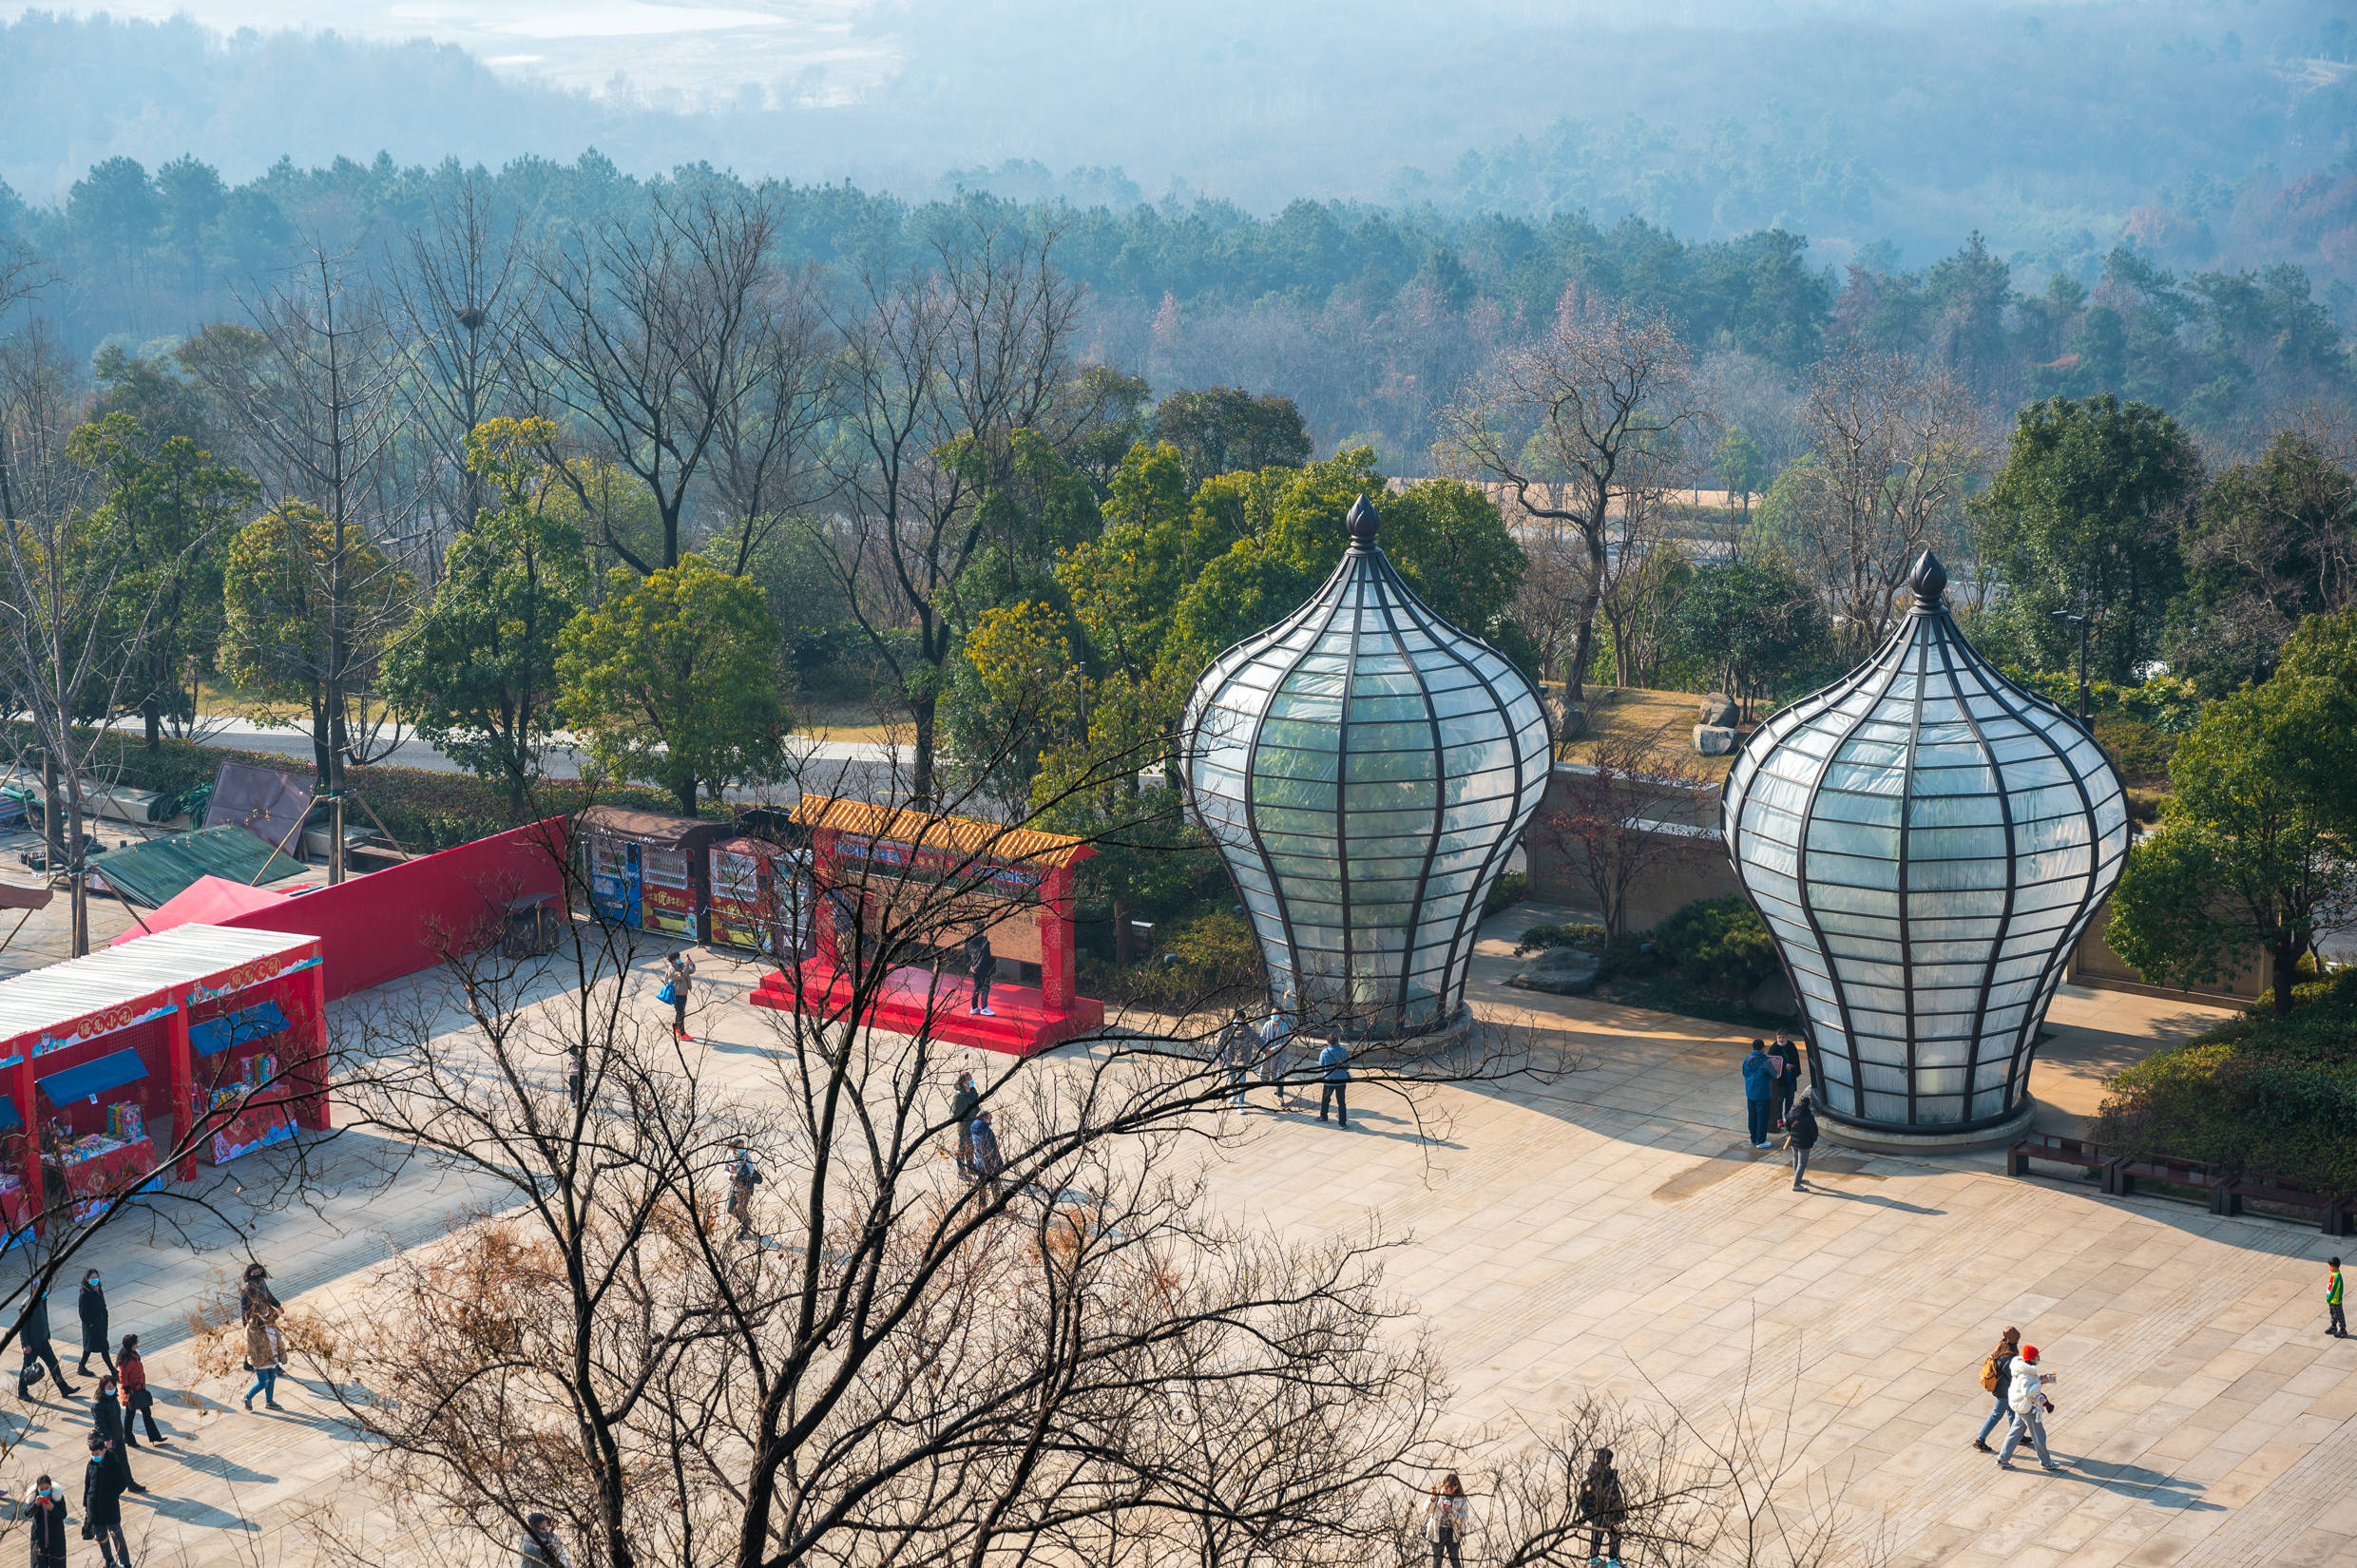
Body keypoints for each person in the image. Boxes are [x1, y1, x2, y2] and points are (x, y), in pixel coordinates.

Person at [1995, 1343, 2060, 1471]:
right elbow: (2027, 1392)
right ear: (2030, 1358)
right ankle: (2046, 1462)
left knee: (2015, 1433)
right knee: (2039, 1435)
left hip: (2021, 1407)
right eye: (2036, 1357)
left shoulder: (2024, 1369)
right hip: (2027, 1407)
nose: (2038, 1359)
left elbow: (2031, 1383)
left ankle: (2002, 1458)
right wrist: (2041, 1382)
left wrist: (2041, 1379)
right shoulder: (2025, 1375)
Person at [17, 1282, 77, 1400]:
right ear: (33, 1290)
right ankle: (22, 1392)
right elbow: (22, 1327)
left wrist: (47, 1333)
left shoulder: (42, 1300)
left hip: (43, 1341)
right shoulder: (26, 1306)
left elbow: (44, 1317)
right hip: (32, 1345)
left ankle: (64, 1388)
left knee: (54, 1365)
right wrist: (25, 1344)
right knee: (27, 1369)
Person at [90, 1375, 144, 1494]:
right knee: (106, 1466)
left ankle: (130, 1484)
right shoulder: (98, 1405)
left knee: (124, 1462)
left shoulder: (114, 1400)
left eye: (113, 1386)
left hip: (118, 1436)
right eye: (109, 1387)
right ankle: (104, 1488)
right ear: (103, 1388)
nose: (112, 1389)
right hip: (107, 1440)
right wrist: (107, 1438)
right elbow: (100, 1423)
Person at [1971, 1327, 2022, 1453]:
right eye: (2017, 1338)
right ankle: (1980, 1440)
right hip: (2004, 1391)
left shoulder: (2002, 1345)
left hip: (2003, 1388)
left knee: (2012, 1411)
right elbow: (2011, 1374)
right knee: (1996, 1414)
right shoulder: (2009, 1356)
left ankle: (2016, 1435)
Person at [83, 1431, 128, 1568]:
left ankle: (125, 1563)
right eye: (92, 1454)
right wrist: (86, 1502)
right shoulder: (91, 1465)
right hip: (95, 1509)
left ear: (103, 1451)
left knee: (116, 1536)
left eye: (97, 1454)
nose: (94, 1456)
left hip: (110, 1507)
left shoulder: (113, 1463)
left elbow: (122, 1482)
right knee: (101, 1537)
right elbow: (87, 1484)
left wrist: (111, 1495)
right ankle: (109, 1561)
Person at [1578, 1446, 1625, 1567]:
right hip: (1604, 1511)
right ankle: (1613, 1561)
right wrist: (1619, 1512)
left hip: (1597, 1511)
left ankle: (1594, 1559)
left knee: (1598, 1533)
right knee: (1614, 1533)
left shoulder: (1594, 1473)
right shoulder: (1602, 1475)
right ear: (1607, 1460)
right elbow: (1612, 1494)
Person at [118, 1334, 165, 1445]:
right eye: (136, 1342)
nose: (137, 1344)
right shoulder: (126, 1360)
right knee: (130, 1416)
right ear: (131, 1344)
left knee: (146, 1413)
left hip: (139, 1389)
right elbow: (122, 1376)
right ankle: (129, 1438)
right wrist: (127, 1390)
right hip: (132, 1392)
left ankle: (155, 1436)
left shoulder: (134, 1355)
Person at [1423, 1472, 1468, 1568]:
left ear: (1455, 1487)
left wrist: (1452, 1513)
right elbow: (1427, 1510)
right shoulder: (1438, 1494)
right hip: (1438, 1530)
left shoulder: (1462, 1500)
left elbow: (1464, 1519)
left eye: (1448, 1487)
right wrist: (1433, 1499)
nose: (1445, 1489)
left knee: (1455, 1560)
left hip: (1453, 1532)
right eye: (1444, 1485)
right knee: (1437, 1561)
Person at [243, 1305, 284, 1411]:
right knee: (263, 1382)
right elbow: (249, 1342)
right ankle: (247, 1397)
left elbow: (277, 1336)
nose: (265, 1309)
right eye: (262, 1308)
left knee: (271, 1379)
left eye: (266, 1307)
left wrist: (281, 1352)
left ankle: (269, 1401)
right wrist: (253, 1357)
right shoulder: (252, 1324)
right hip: (261, 1357)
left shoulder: (270, 1320)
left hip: (273, 1354)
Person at [25, 1472, 67, 1568]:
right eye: (41, 1489)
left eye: (46, 1488)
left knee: (57, 1563)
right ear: (38, 1489)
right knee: (38, 1564)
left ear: (50, 1487)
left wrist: (52, 1508)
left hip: (56, 1538)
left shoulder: (57, 1497)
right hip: (39, 1539)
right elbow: (27, 1513)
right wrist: (36, 1505)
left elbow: (63, 1514)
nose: (44, 1491)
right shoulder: (34, 1497)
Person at [76, 1268, 112, 1377]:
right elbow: (82, 1313)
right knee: (103, 1348)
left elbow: (102, 1303)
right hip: (91, 1326)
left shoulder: (98, 1288)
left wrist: (105, 1316)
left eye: (96, 1277)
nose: (95, 1280)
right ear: (87, 1279)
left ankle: (81, 1367)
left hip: (101, 1323)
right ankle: (113, 1371)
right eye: (92, 1278)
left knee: (89, 1348)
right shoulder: (84, 1294)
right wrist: (91, 1324)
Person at [1216, 1009, 1255, 1107]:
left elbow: (1257, 1039)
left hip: (1243, 1060)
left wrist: (1266, 1050)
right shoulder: (1228, 1029)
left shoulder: (1248, 1030)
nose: (1237, 1021)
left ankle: (1241, 1103)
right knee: (1232, 1079)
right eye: (1236, 1018)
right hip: (1230, 1059)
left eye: (1240, 1019)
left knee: (1242, 1082)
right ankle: (1233, 1094)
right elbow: (1219, 1042)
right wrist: (1219, 1056)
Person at [1255, 1011, 1294, 1110]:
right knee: (1271, 1072)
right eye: (1272, 1013)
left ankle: (1280, 1097)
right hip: (1268, 1053)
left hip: (1281, 1054)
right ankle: (1276, 1088)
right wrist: (1266, 1048)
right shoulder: (1267, 1024)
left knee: (1280, 1075)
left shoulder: (1284, 1026)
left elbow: (1285, 1042)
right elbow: (1262, 1037)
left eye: (1276, 1013)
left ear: (1281, 1015)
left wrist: (1274, 1049)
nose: (1274, 1015)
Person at [1741, 1040, 1775, 1149]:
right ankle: (1761, 1141)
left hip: (1750, 1093)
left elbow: (1744, 1073)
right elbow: (1773, 1074)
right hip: (1763, 1094)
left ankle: (1753, 1138)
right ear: (1763, 1048)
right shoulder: (1764, 1061)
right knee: (1762, 1117)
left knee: (1752, 1116)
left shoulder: (1747, 1060)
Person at [1785, 1090, 1820, 1191]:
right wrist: (1813, 1139)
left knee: (1795, 1159)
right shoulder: (1808, 1117)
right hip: (1804, 1143)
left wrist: (1791, 1133)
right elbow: (1814, 1131)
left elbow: (1787, 1124)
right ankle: (1796, 1184)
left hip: (1794, 1141)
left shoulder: (1792, 1112)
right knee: (1802, 1163)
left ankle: (1797, 1178)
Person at [968, 1110, 1005, 1199]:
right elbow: (991, 1147)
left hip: (979, 1160)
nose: (991, 1119)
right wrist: (997, 1162)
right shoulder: (986, 1131)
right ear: (984, 1118)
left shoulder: (974, 1129)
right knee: (994, 1182)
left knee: (982, 1184)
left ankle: (983, 1206)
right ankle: (997, 1203)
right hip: (990, 1161)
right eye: (989, 1117)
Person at [727, 1147, 761, 1240]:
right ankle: (747, 1221)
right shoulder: (730, 1157)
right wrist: (731, 1175)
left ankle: (744, 1229)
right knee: (730, 1210)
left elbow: (751, 1171)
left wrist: (740, 1174)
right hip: (734, 1187)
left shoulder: (747, 1157)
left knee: (741, 1208)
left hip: (745, 1188)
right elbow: (725, 1171)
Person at [1770, 1032, 1802, 1130]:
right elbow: (1772, 1062)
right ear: (1777, 1037)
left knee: (1790, 1098)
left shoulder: (1791, 1045)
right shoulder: (1774, 1048)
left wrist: (1792, 1066)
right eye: (1779, 1037)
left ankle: (1788, 1117)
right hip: (1780, 1080)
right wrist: (1784, 1067)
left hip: (1790, 1078)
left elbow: (1796, 1059)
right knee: (1779, 1100)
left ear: (1786, 1037)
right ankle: (1779, 1118)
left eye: (1783, 1037)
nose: (1781, 1039)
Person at [950, 1072, 982, 1176]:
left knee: (971, 1148)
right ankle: (961, 1170)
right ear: (964, 1083)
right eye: (969, 1079)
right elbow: (957, 1115)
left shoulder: (972, 1091)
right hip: (964, 1127)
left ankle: (971, 1167)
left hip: (972, 1125)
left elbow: (977, 1105)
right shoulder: (958, 1096)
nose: (972, 1081)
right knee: (962, 1150)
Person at [1316, 1037, 1351, 1128]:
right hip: (1341, 1080)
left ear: (1328, 1042)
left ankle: (1324, 1117)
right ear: (1337, 1041)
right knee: (1341, 1102)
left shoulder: (1324, 1052)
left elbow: (1321, 1066)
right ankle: (1342, 1123)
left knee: (1325, 1099)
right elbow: (1348, 1064)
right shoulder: (1343, 1051)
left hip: (1329, 1080)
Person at [664, 950, 697, 1040]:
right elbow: (681, 976)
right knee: (681, 1013)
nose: (679, 959)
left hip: (683, 992)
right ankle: (682, 1034)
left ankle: (676, 1028)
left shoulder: (680, 965)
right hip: (677, 993)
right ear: (672, 960)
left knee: (680, 1012)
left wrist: (691, 965)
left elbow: (690, 971)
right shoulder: (672, 969)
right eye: (677, 958)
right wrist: (686, 966)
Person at [964, 930, 998, 1017]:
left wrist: (971, 967)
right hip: (983, 968)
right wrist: (976, 967)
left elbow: (965, 954)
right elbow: (985, 956)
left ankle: (974, 1008)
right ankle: (984, 1008)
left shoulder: (968, 941)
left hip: (973, 968)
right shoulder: (984, 942)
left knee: (977, 987)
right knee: (985, 986)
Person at [2329, 1256, 2347, 1339]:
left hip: (2336, 1300)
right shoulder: (2335, 1274)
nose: (2328, 1268)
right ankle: (2333, 1326)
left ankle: (2343, 1330)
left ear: (2333, 1266)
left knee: (2339, 1315)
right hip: (2333, 1300)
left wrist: (2329, 1298)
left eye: (2329, 1266)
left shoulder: (2337, 1277)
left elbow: (2334, 1289)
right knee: (2333, 1313)